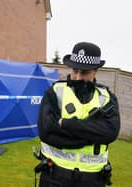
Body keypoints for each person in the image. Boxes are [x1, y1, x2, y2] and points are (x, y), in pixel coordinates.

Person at [36, 42, 120, 187]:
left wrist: (67, 124)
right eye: (75, 70)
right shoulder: (55, 92)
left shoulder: (106, 98)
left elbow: (110, 133)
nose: (78, 77)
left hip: (92, 178)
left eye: (84, 72)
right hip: (54, 175)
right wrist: (90, 137)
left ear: (96, 71)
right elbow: (46, 132)